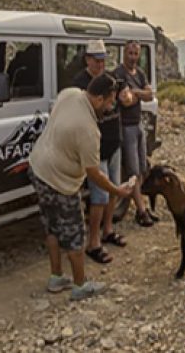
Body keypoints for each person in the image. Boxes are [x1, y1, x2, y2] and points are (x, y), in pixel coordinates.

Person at [28, 73, 133, 300]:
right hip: (60, 181)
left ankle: (56, 277)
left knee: (52, 226)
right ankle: (79, 285)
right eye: (109, 101)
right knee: (75, 233)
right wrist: (118, 191)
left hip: (38, 168)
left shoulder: (70, 94)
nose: (111, 105)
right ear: (97, 99)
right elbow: (94, 173)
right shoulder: (89, 130)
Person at [72, 39, 131, 264]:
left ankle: (108, 230)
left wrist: (125, 92)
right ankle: (93, 242)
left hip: (113, 141)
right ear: (87, 59)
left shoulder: (107, 78)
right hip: (96, 148)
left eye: (103, 61)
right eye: (96, 61)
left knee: (113, 190)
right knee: (99, 196)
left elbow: (122, 86)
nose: (100, 65)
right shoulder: (80, 83)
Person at [114, 40, 157, 227]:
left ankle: (139, 207)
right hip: (126, 126)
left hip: (138, 124)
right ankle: (141, 210)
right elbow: (126, 101)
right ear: (124, 53)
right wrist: (141, 94)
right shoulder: (119, 74)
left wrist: (136, 92)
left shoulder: (139, 73)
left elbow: (150, 94)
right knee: (132, 171)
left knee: (141, 168)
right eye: (130, 53)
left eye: (136, 54)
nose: (133, 57)